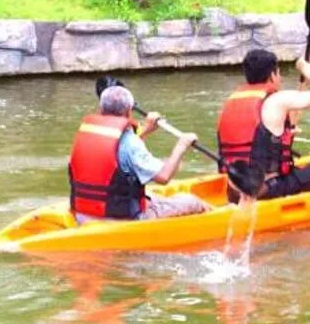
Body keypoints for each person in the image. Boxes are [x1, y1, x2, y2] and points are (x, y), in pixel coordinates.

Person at [216, 47, 310, 200]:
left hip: (234, 193)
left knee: (298, 171)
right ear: (272, 75)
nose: (280, 78)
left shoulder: (231, 101)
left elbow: (256, 141)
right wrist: (306, 70)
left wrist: (284, 138)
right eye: (279, 73)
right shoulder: (278, 99)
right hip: (267, 191)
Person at [69, 83, 208, 222]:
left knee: (151, 196)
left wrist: (146, 130)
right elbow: (164, 177)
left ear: (101, 109)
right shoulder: (129, 142)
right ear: (129, 111)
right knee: (191, 201)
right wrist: (182, 145)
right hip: (121, 219)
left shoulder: (87, 132)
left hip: (82, 215)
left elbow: (119, 154)